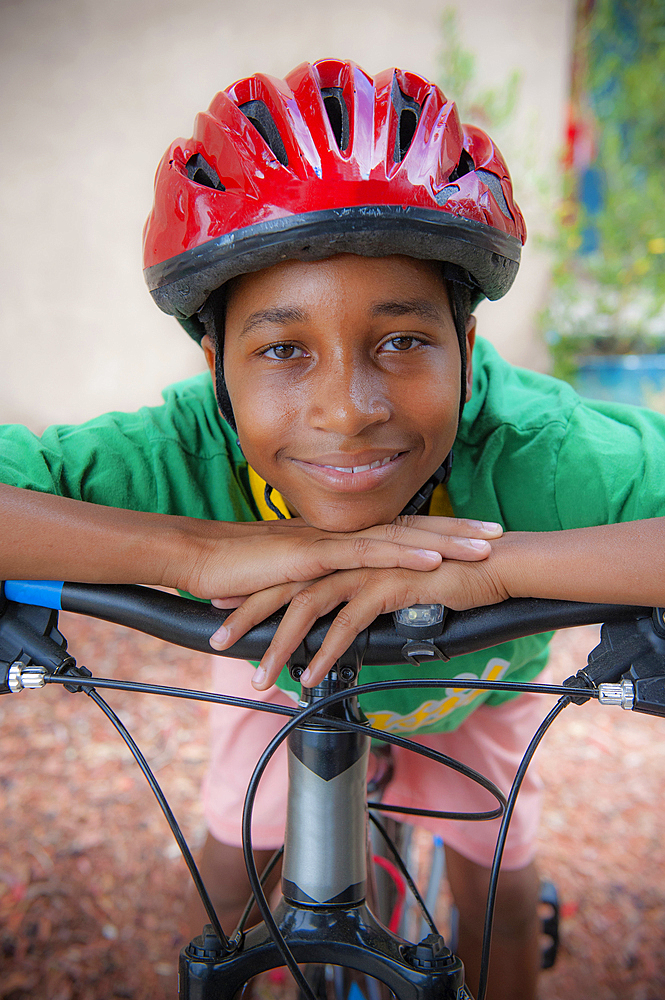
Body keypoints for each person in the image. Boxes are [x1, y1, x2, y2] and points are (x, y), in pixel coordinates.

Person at [2, 59, 665, 1000]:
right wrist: (194, 551)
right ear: (216, 368)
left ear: (467, 348)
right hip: (279, 677)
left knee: (497, 896)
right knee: (230, 885)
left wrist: (493, 569)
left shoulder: (537, 452)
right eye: (280, 350)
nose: (347, 411)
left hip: (476, 690)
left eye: (402, 340)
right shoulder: (182, 452)